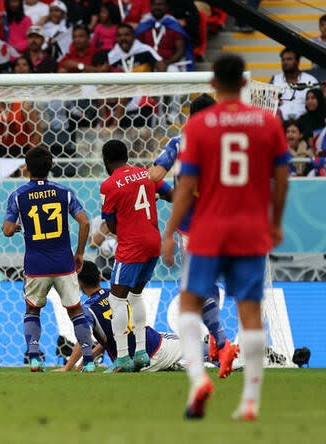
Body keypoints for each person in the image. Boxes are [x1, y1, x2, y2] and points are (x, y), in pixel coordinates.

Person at [162, 54, 290, 421]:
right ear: (245, 84)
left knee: (189, 305)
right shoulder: (267, 123)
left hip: (209, 228)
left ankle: (199, 380)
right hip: (250, 228)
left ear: (214, 84)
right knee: (249, 312)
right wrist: (275, 222)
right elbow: (281, 179)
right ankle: (249, 401)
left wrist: (170, 232)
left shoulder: (200, 127)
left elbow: (186, 184)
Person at [148, 94, 240, 376]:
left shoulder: (180, 142)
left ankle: (224, 344)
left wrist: (164, 187)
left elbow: (154, 175)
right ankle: (216, 344)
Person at [1, 147, 91, 372]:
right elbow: (85, 222)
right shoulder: (64, 192)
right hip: (63, 262)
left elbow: (7, 230)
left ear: (27, 168)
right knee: (75, 311)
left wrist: (21, 226)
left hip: (36, 264)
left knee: (32, 310)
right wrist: (79, 252)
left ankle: (33, 357)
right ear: (51, 166)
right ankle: (88, 361)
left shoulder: (18, 195)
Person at [99, 139, 172, 373]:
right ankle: (141, 352)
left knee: (116, 299)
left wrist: (128, 222)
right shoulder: (147, 174)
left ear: (106, 161)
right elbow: (171, 194)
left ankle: (122, 358)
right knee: (136, 295)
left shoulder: (109, 185)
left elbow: (110, 225)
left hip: (132, 245)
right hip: (154, 241)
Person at [55, 261, 185, 373]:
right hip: (154, 348)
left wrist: (68, 367)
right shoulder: (117, 295)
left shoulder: (87, 309)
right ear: (100, 278)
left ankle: (175, 362)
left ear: (80, 283)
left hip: (131, 364)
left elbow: (85, 336)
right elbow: (118, 332)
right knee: (189, 342)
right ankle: (189, 357)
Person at [135, 0, 191, 72]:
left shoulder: (174, 25)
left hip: (169, 63)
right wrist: (153, 63)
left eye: (160, 4)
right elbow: (137, 48)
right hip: (148, 63)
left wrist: (165, 63)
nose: (156, 7)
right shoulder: (144, 25)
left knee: (172, 71)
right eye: (154, 5)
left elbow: (180, 51)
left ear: (167, 7)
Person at [271, 48, 318, 121]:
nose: (285, 62)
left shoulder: (310, 80)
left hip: (305, 124)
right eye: (283, 60)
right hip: (281, 123)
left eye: (289, 59)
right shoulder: (275, 80)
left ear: (297, 61)